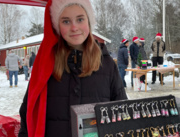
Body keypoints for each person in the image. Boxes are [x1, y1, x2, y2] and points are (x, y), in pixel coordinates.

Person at [18, 0, 127, 136]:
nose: (74, 27)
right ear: (57, 26)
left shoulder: (106, 64)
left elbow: (122, 112)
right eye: (66, 21)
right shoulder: (46, 66)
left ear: (89, 21)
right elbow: (28, 113)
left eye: (80, 19)